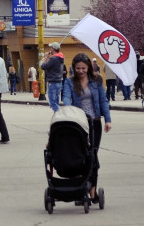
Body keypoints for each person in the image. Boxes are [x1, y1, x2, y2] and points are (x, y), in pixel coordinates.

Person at [61, 53, 112, 204]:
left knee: (93, 156)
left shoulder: (96, 81)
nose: (81, 71)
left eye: (83, 68)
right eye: (78, 68)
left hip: (94, 122)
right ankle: (79, 189)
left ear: (89, 67)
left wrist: (108, 120)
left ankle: (92, 191)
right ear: (73, 68)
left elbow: (103, 100)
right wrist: (68, 109)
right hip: (78, 124)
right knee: (79, 156)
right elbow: (66, 97)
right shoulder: (70, 82)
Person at [41, 42, 66, 111]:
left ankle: (61, 115)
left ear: (53, 49)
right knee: (56, 102)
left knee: (53, 103)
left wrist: (46, 57)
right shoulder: (61, 57)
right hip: (59, 82)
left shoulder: (54, 59)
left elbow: (43, 66)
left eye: (50, 48)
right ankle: (58, 117)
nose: (50, 49)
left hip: (53, 82)